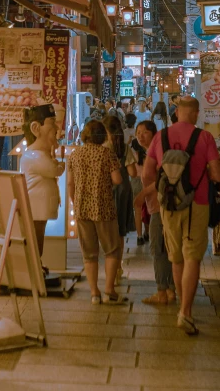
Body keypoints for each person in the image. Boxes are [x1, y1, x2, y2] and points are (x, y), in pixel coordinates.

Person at [143, 96, 220, 335]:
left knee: (175, 257)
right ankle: (186, 312)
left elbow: (147, 173)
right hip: (197, 203)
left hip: (168, 204)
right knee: (192, 258)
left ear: (177, 112)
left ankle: (179, 302)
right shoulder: (205, 137)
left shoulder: (160, 136)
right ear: (196, 113)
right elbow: (217, 174)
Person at [67, 120, 128, 304]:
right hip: (104, 207)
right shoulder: (106, 153)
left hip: (82, 208)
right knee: (111, 249)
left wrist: (75, 201)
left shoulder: (75, 155)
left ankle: (94, 293)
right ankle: (109, 290)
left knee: (89, 253)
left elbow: (70, 183)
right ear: (102, 135)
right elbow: (117, 179)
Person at [134, 120, 176, 305]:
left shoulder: (158, 150)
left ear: (153, 133)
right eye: (138, 133)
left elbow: (163, 178)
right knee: (167, 249)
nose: (140, 136)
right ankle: (170, 290)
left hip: (160, 206)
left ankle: (162, 291)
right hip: (157, 206)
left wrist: (143, 193)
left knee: (158, 248)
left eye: (144, 132)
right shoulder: (148, 152)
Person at [20, 104, 65, 260]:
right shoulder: (35, 156)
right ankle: (35, 264)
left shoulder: (39, 155)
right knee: (36, 236)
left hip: (41, 206)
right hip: (37, 206)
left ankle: (37, 263)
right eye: (52, 123)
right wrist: (60, 164)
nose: (57, 129)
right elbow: (54, 169)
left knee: (39, 235)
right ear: (36, 128)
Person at [104, 115, 137, 283]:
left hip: (106, 191)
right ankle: (117, 268)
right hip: (123, 191)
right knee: (120, 232)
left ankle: (109, 266)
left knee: (107, 230)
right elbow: (132, 173)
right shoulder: (125, 149)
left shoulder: (102, 148)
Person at [129, 116, 149, 246]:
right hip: (147, 182)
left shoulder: (132, 151)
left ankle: (139, 236)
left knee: (137, 209)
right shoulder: (149, 152)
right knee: (148, 208)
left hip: (135, 181)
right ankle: (148, 232)